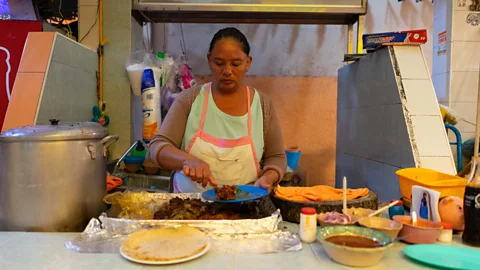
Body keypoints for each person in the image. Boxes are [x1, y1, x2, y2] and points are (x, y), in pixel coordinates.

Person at [148, 27, 287, 193]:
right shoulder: (190, 99)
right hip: (188, 209)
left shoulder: (263, 105)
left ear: (248, 63)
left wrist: (269, 177)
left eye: (236, 64)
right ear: (209, 60)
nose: (227, 71)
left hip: (244, 210)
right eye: (219, 63)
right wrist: (188, 161)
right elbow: (157, 147)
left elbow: (276, 157)